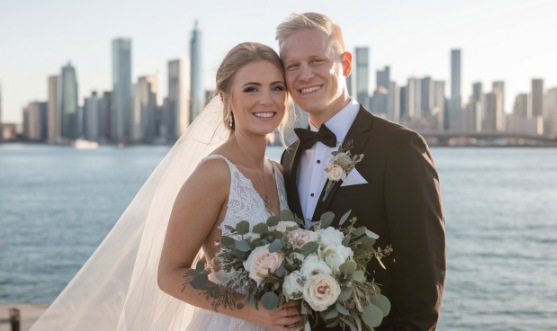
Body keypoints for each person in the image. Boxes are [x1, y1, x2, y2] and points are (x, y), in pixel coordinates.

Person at [31, 42, 305, 331]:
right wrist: (255, 311)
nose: (267, 99)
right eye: (251, 88)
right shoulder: (215, 173)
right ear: (226, 99)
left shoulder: (278, 172)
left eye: (277, 88)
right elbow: (170, 275)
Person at [277, 13, 446, 331]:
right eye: (293, 66)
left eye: (316, 60)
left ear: (345, 63)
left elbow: (424, 272)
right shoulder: (289, 157)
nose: (305, 75)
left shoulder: (399, 146)